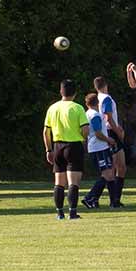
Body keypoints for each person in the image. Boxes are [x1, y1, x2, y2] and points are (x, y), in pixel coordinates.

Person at [43, 79, 90, 220]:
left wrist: (48, 150)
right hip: (73, 145)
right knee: (73, 182)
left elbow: (46, 132)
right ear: (75, 93)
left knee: (59, 181)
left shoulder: (52, 108)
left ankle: (59, 213)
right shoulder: (77, 108)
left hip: (57, 146)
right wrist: (84, 138)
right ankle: (73, 212)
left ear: (60, 91)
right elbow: (85, 129)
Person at [89, 76, 128, 207]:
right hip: (111, 133)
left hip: (109, 132)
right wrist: (118, 131)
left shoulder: (98, 98)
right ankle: (100, 198)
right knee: (112, 168)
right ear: (106, 85)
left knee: (119, 167)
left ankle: (115, 199)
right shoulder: (106, 98)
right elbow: (108, 117)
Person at [81, 93, 118, 209]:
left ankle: (113, 202)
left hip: (96, 147)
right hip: (99, 148)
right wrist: (109, 140)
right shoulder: (95, 115)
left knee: (109, 174)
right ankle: (90, 197)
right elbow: (97, 133)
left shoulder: (86, 114)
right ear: (97, 102)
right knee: (107, 175)